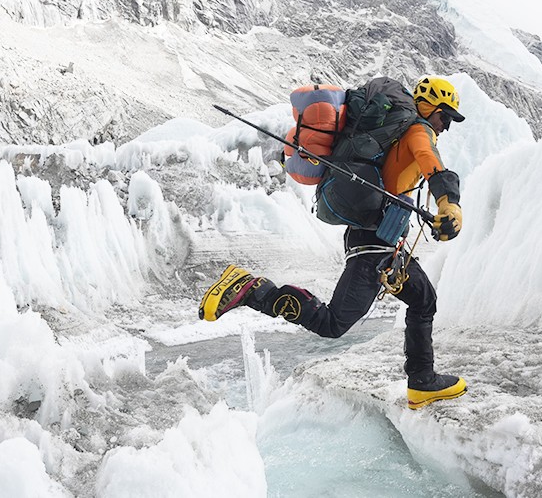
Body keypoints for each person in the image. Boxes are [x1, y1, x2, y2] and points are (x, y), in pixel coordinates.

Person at [199, 76, 466, 409]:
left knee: (423, 299)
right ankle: (254, 289)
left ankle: (422, 380)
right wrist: (448, 202)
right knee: (332, 323)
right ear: (429, 107)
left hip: (381, 241)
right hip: (374, 244)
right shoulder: (417, 131)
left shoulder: (396, 135)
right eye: (445, 116)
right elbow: (432, 165)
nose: (446, 126)